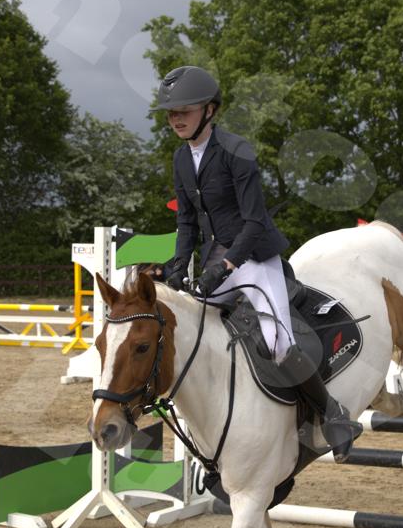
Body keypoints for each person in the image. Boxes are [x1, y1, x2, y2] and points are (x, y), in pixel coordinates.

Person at [155, 65, 361, 460]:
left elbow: (253, 222)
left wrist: (226, 266)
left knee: (277, 344)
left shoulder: (236, 151)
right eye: (171, 113)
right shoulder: (181, 158)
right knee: (196, 332)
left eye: (184, 110)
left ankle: (333, 416)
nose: (176, 119)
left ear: (210, 110)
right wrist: (179, 265)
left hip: (254, 257)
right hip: (216, 257)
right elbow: (186, 221)